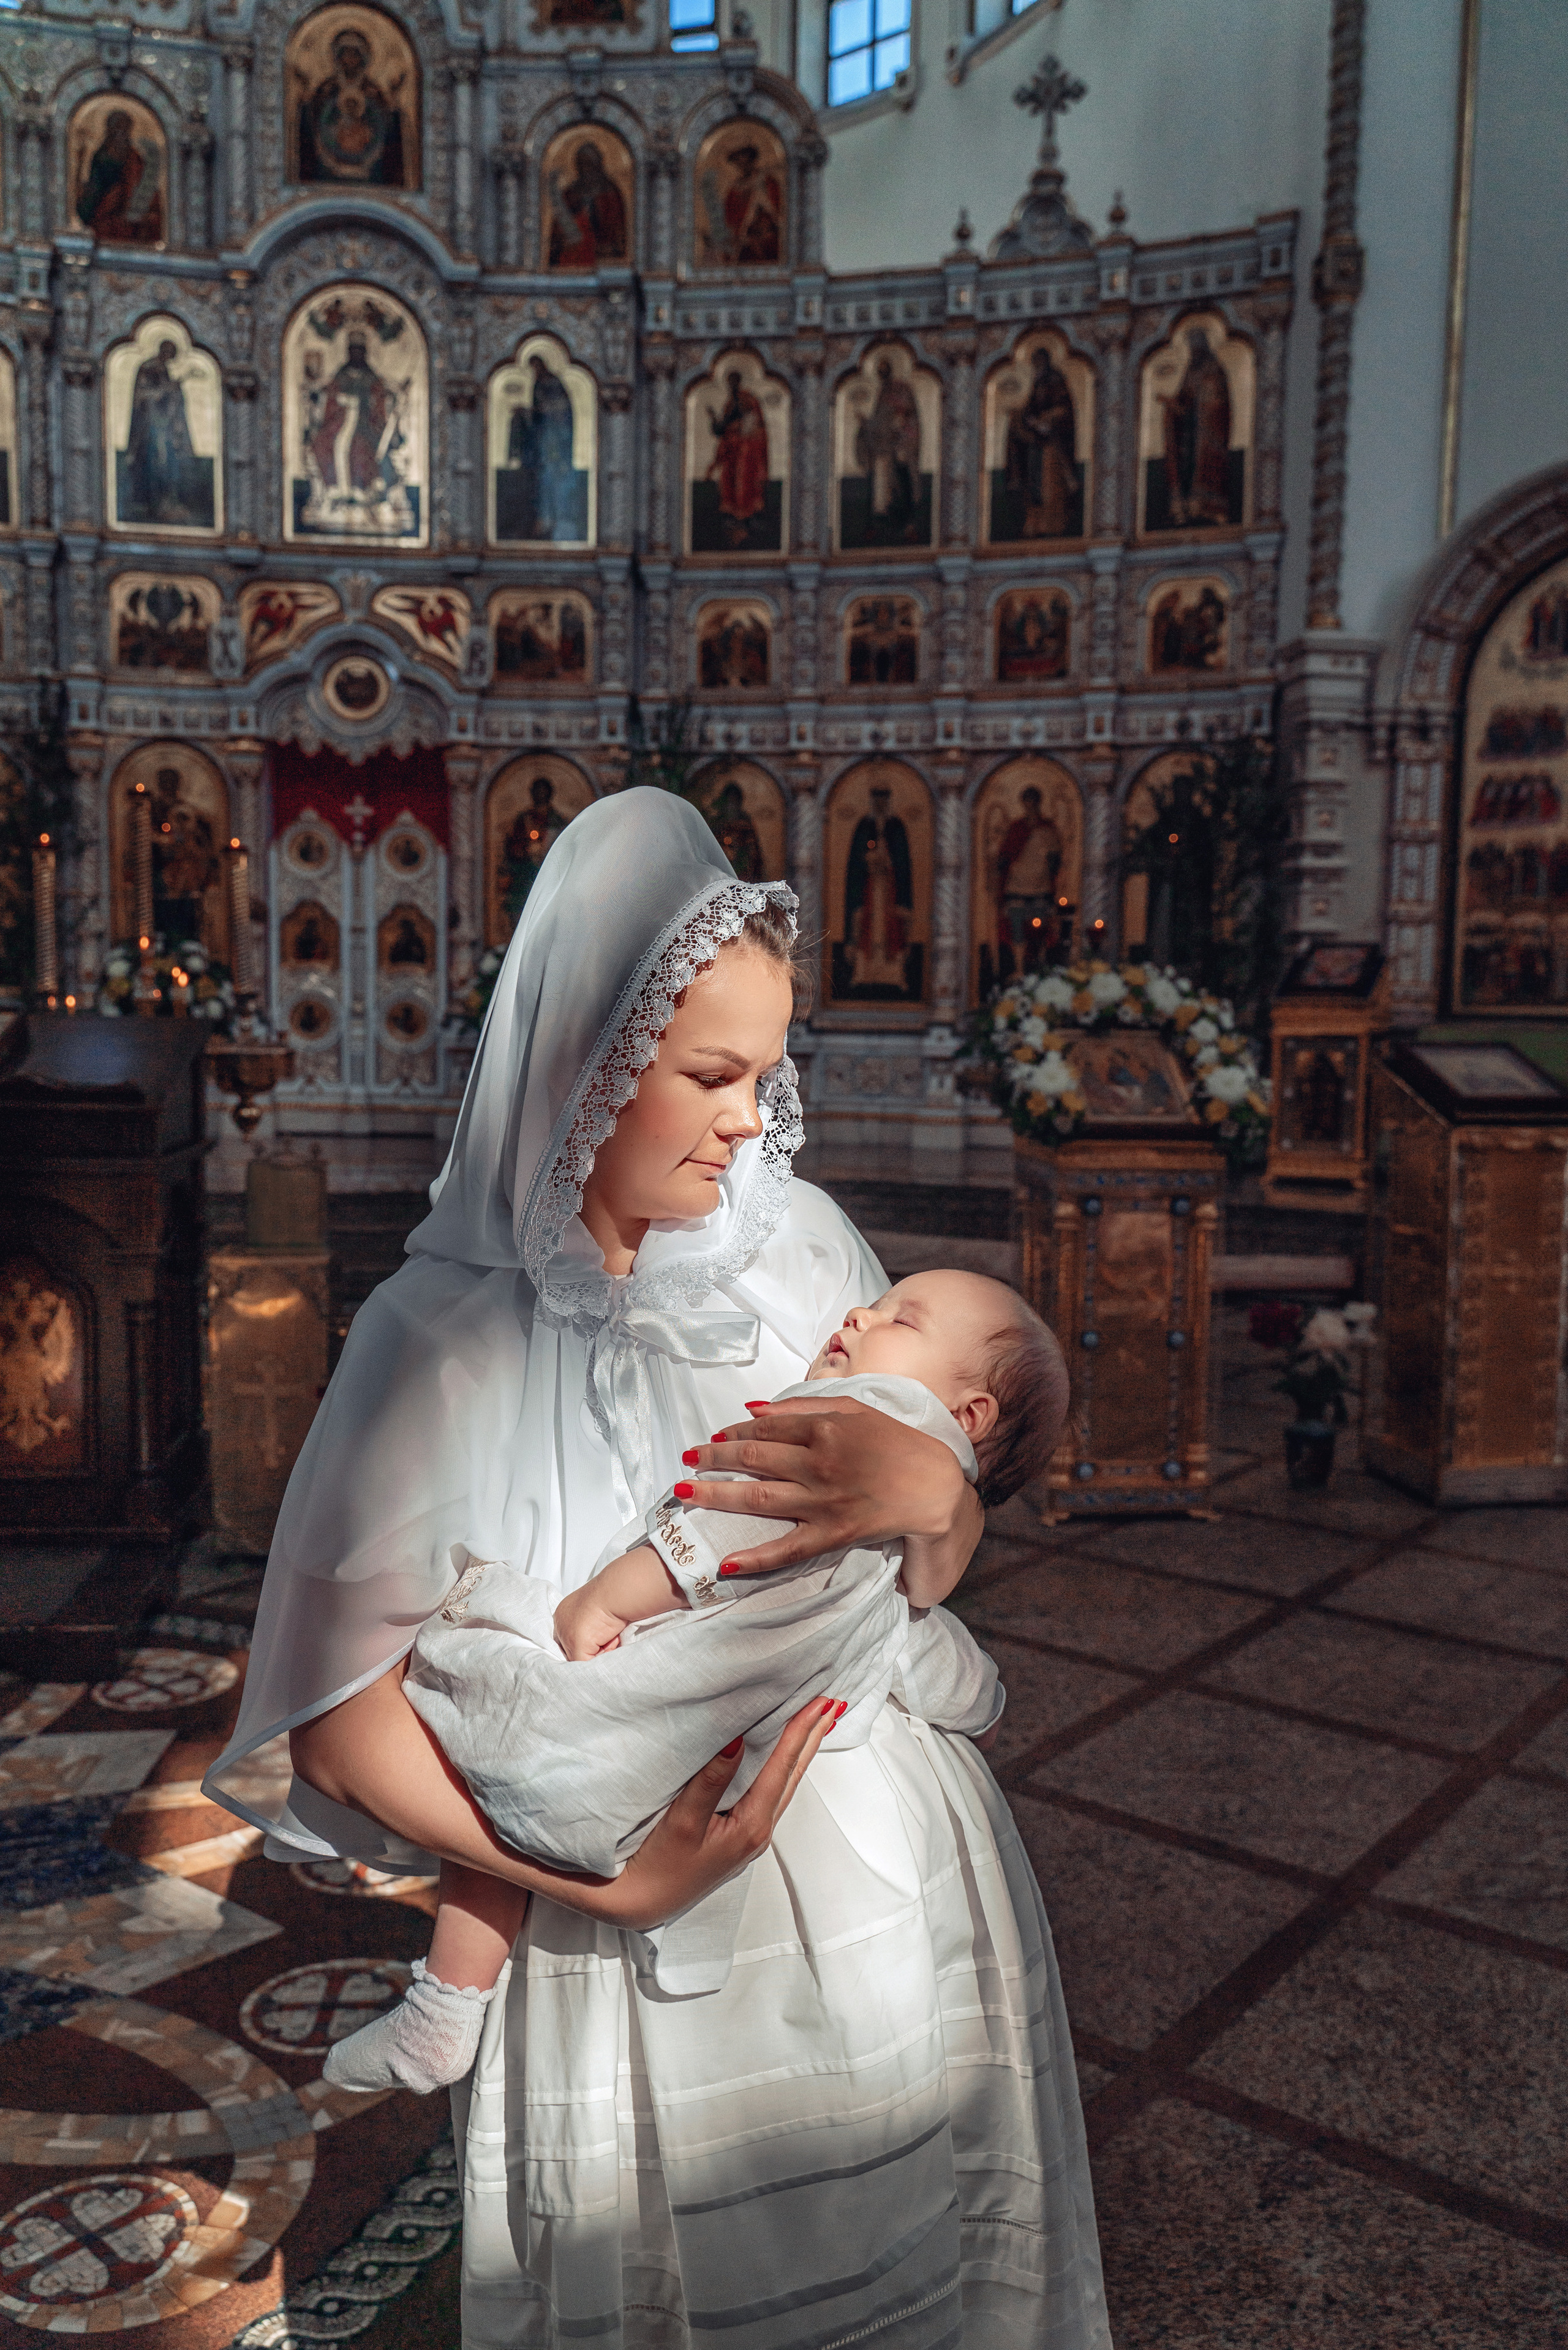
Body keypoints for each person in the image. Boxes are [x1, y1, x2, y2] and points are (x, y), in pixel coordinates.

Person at [203, 791, 1107, 2350]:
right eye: (708, 1073)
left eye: (765, 1073)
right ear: (584, 1061)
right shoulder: (436, 1347)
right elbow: (348, 1726)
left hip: (898, 1895)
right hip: (620, 1929)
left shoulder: (803, 1252)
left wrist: (939, 1508)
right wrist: (616, 1879)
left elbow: (915, 1537)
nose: (749, 1117)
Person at [315, 1264, 1067, 2088]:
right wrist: (984, 1699)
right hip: (761, 1797)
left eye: (900, 1316)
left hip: (641, 1714)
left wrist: (608, 1596)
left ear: (969, 1414)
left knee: (484, 1657)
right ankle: (449, 2008)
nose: (859, 1310)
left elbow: (725, 1517)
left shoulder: (855, 1416)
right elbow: (922, 1644)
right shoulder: (882, 1537)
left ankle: (449, 2000)